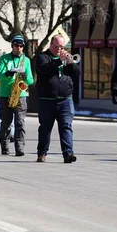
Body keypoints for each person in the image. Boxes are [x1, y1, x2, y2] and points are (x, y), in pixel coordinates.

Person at [35, 34, 81, 163]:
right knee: (45, 127)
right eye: (57, 46)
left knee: (66, 126)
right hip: (47, 99)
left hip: (65, 99)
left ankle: (68, 153)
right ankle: (42, 153)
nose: (60, 49)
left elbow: (77, 74)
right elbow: (46, 70)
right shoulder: (43, 57)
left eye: (62, 47)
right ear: (51, 45)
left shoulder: (66, 59)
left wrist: (71, 63)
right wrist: (59, 61)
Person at [0, 35, 34, 156]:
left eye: (21, 46)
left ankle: (19, 147)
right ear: (12, 46)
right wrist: (8, 73)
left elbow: (31, 81)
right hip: (5, 94)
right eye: (16, 45)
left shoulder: (26, 60)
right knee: (6, 122)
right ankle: (5, 145)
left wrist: (25, 77)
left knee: (20, 122)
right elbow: (0, 76)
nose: (19, 48)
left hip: (20, 95)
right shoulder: (4, 58)